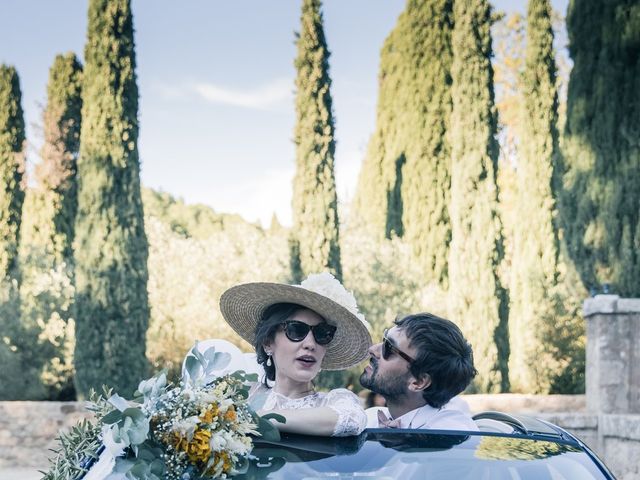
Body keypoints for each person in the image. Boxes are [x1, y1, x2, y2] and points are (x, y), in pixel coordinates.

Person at [219, 272, 371, 436]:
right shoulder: (241, 395)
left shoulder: (336, 402)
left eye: (322, 334)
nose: (310, 344)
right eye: (296, 330)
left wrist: (254, 418)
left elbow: (352, 420)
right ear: (268, 343)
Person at [360, 312, 478, 430]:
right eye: (384, 339)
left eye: (389, 347)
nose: (372, 349)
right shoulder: (369, 419)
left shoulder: (451, 433)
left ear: (419, 382)